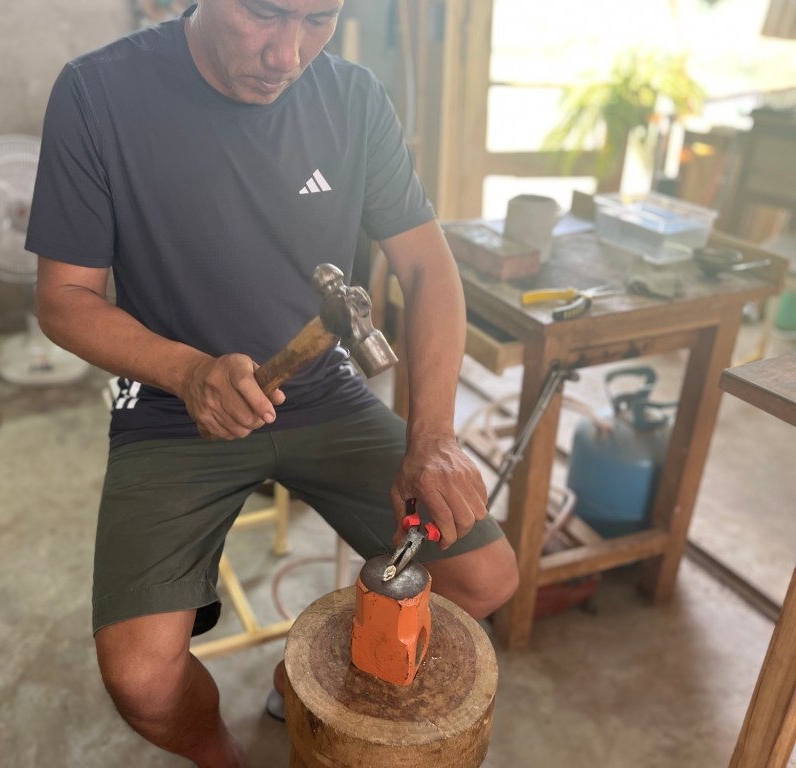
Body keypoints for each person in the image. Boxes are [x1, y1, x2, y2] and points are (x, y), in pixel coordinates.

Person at [26, 1, 519, 766]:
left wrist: (434, 438)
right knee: (142, 680)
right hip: (169, 409)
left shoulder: (354, 98)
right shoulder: (98, 94)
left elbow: (427, 267)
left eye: (318, 18)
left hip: (324, 392)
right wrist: (187, 371)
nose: (287, 54)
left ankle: (302, 683)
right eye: (263, 13)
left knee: (482, 578)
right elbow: (64, 298)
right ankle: (226, 757)